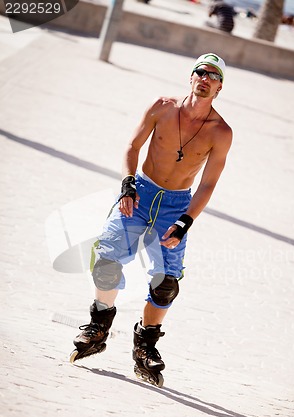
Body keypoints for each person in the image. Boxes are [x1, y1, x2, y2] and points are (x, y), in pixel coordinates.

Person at [70, 53, 233, 386]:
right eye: (200, 72)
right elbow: (133, 145)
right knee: (106, 259)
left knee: (167, 282)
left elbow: (209, 183)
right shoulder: (161, 106)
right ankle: (99, 325)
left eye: (212, 76)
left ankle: (145, 344)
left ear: (219, 87)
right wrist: (128, 185)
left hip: (176, 205)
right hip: (141, 192)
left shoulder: (221, 132)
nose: (205, 78)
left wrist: (186, 220)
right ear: (191, 77)